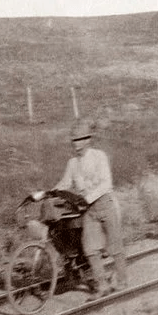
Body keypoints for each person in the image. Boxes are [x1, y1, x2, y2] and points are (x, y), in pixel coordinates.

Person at [54, 118, 127, 300]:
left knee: (115, 246)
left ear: (88, 140)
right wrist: (50, 192)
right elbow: (65, 183)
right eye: (73, 140)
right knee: (90, 249)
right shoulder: (72, 163)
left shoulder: (99, 156)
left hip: (106, 205)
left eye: (79, 139)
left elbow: (106, 183)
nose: (75, 144)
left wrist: (87, 198)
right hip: (89, 212)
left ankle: (122, 281)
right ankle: (102, 285)